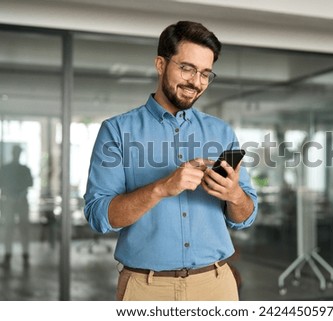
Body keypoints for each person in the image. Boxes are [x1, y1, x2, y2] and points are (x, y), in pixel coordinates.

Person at [84, 21, 258, 301]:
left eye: (205, 73)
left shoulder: (221, 132)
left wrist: (234, 195)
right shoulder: (116, 131)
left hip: (216, 285)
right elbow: (99, 216)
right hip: (146, 288)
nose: (196, 82)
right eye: (187, 68)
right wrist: (162, 188)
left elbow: (245, 217)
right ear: (160, 64)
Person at [0, 145, 33, 269]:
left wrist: (15, 196)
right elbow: (2, 185)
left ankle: (23, 255)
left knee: (20, 229)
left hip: (18, 202)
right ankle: (9, 255)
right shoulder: (8, 169)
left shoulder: (21, 169)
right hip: (12, 202)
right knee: (10, 229)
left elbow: (29, 184)